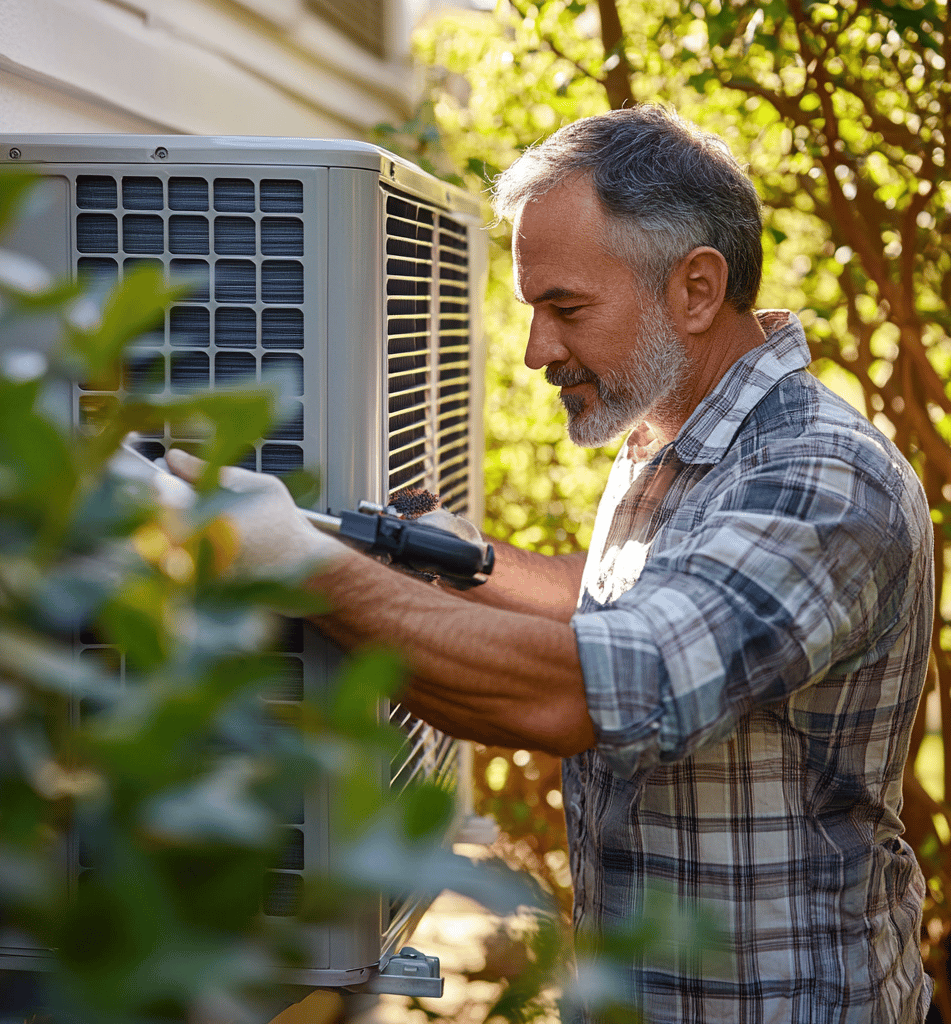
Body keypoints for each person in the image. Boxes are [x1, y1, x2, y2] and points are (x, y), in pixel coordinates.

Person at [167, 106, 934, 1023]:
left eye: (566, 309)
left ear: (696, 290)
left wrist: (298, 566)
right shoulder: (671, 434)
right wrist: (465, 561)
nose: (538, 351)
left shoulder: (821, 478)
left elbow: (599, 688)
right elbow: (626, 597)